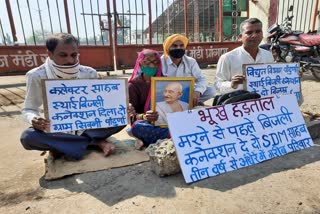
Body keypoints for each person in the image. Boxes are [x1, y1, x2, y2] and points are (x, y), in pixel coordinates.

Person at [20, 33, 134, 160]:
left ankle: (66, 145)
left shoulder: (89, 73)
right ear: (50, 54)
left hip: (88, 128)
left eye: (74, 55)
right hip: (57, 130)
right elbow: (28, 109)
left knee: (123, 117)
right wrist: (34, 119)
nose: (70, 60)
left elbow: (104, 104)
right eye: (63, 55)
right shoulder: (36, 75)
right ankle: (94, 142)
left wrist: (124, 107)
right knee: (28, 137)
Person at [214, 18, 275, 94]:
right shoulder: (227, 58)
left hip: (264, 102)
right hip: (240, 102)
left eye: (258, 31)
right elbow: (218, 85)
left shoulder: (268, 55)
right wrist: (232, 84)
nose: (254, 35)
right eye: (249, 33)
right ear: (240, 37)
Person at [128, 49, 170, 150]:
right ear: (140, 64)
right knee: (138, 128)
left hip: (166, 121)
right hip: (145, 123)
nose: (151, 66)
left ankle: (148, 139)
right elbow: (132, 116)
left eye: (155, 63)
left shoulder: (167, 82)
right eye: (146, 62)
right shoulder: (133, 86)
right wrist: (145, 116)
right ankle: (173, 135)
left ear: (159, 65)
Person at [161, 34, 215, 106]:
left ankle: (192, 101)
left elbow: (202, 79)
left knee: (211, 90)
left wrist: (197, 92)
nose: (179, 48)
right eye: (174, 46)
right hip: (167, 94)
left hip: (185, 93)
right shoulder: (160, 62)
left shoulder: (190, 61)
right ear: (168, 48)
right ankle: (191, 103)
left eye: (181, 46)